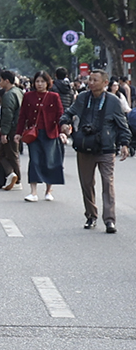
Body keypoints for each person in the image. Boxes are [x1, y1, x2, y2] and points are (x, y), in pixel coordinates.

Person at [61, 69, 132, 233]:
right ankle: (91, 216)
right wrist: (65, 123)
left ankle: (109, 220)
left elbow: (123, 125)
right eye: (89, 80)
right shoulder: (83, 98)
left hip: (106, 149)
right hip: (85, 147)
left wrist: (124, 144)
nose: (90, 83)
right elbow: (68, 113)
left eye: (94, 80)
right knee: (87, 184)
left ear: (105, 83)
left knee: (108, 184)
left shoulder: (113, 101)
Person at [17, 71, 66, 202]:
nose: (39, 84)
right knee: (35, 161)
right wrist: (18, 133)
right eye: (37, 81)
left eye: (42, 82)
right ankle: (33, 192)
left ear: (48, 83)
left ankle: (48, 190)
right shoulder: (28, 96)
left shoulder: (54, 97)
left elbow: (60, 115)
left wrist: (63, 131)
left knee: (50, 161)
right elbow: (22, 116)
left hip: (50, 133)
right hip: (33, 134)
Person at [0, 71, 24, 191]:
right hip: (17, 127)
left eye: (1, 80)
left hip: (11, 128)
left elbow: (7, 115)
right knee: (5, 153)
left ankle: (16, 178)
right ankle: (11, 175)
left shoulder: (8, 95)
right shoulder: (19, 91)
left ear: (7, 80)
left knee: (10, 154)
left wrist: (4, 132)